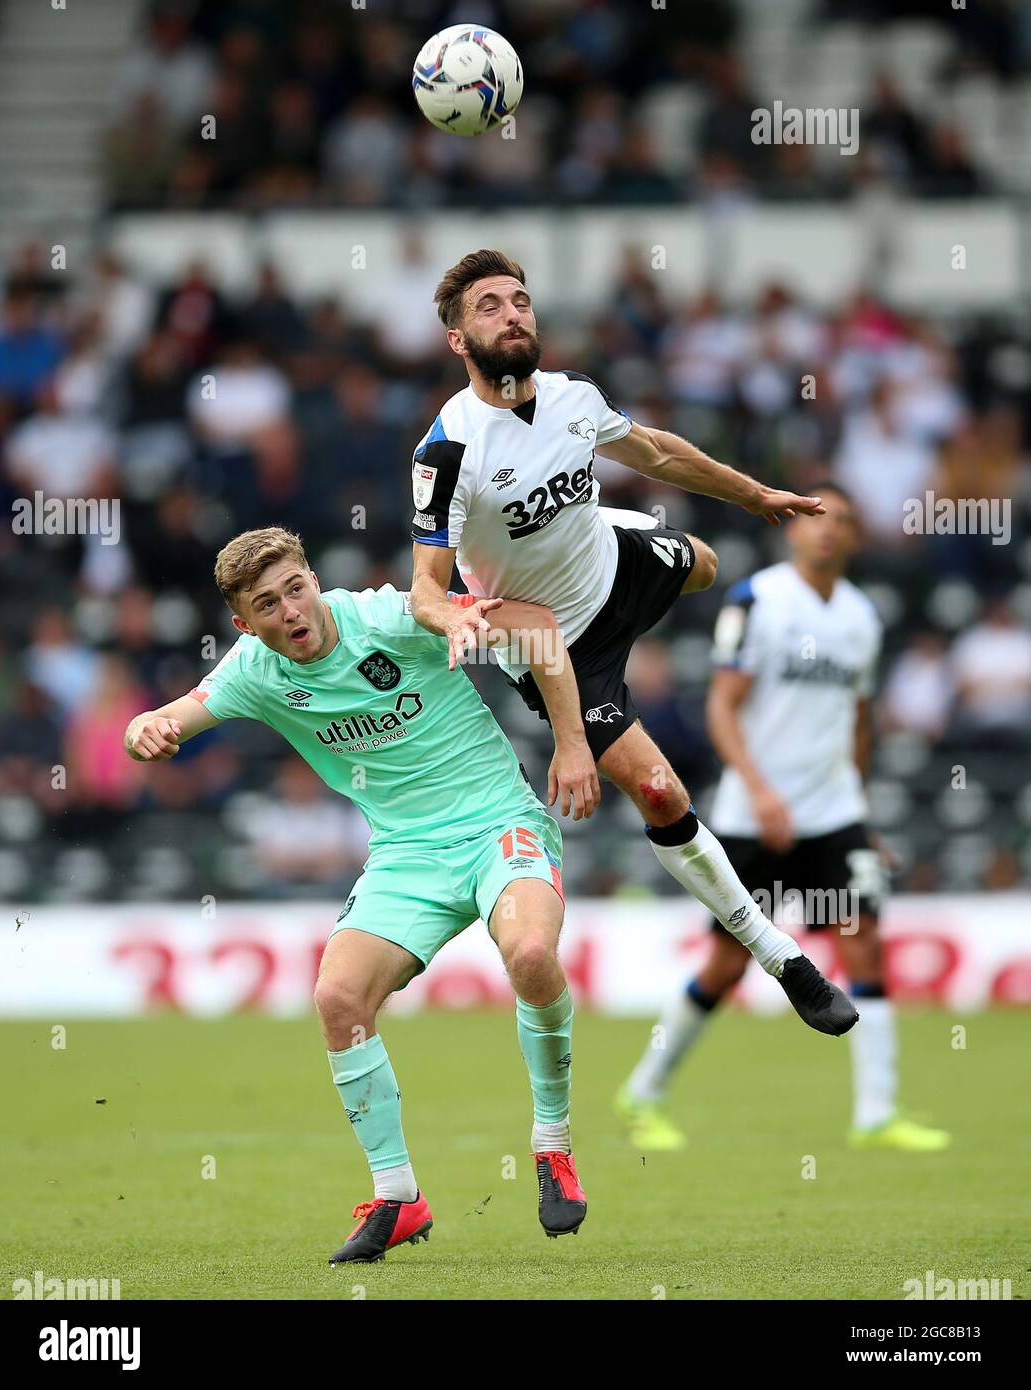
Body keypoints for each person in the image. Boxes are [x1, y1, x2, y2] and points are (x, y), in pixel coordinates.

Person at [409, 248, 857, 1039]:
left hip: (612, 564)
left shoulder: (572, 397)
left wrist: (754, 495)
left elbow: (652, 451)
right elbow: (424, 590)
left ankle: (640, 533)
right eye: (489, 306)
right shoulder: (447, 452)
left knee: (708, 568)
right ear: (457, 341)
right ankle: (784, 957)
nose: (512, 314)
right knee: (659, 794)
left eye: (520, 300)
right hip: (556, 647)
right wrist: (459, 620)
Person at [123, 526, 602, 1263]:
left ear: (313, 579)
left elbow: (536, 627)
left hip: (498, 825)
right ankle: (398, 1196)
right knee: (337, 999)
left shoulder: (390, 616)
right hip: (406, 856)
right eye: (268, 604)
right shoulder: (254, 669)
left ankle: (553, 1145)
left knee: (532, 952)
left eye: (296, 587)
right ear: (243, 624)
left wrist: (572, 744)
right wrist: (141, 731)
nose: (291, 609)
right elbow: (165, 720)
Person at [617, 485, 950, 1152]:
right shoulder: (758, 600)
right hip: (753, 813)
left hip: (833, 812)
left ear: (856, 537)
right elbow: (722, 707)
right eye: (814, 519)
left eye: (844, 522)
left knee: (865, 943)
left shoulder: (861, 616)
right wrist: (761, 790)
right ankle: (643, 1092)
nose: (828, 532)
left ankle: (876, 1112)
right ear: (790, 530)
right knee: (727, 965)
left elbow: (857, 719)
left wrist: (859, 804)